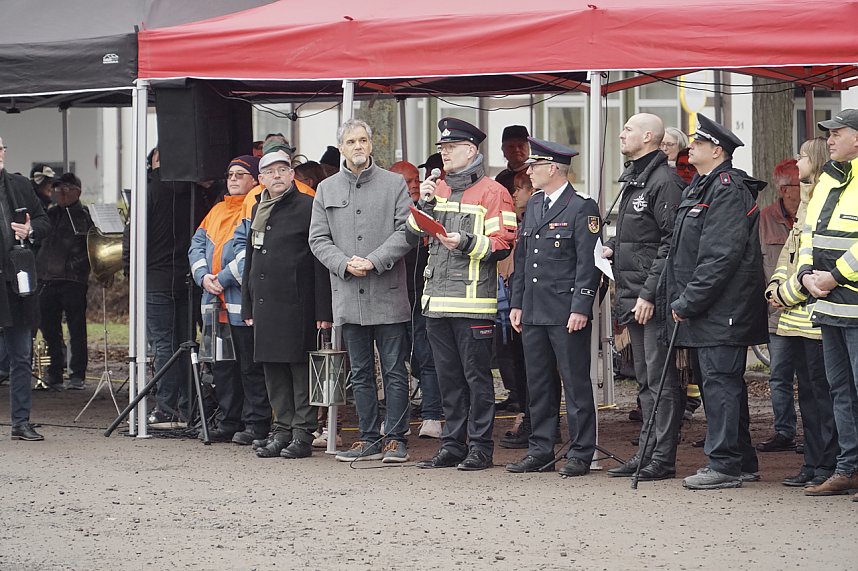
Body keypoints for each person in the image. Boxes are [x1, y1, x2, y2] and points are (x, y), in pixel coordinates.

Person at [665, 115, 768, 490]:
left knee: (720, 384)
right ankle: (740, 460)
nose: (690, 147)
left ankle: (724, 464)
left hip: (724, 308)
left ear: (717, 150)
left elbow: (719, 257)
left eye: (698, 142)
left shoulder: (725, 188)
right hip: (711, 308)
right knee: (720, 385)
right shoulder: (701, 187)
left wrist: (688, 301)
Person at [410, 118, 516, 471]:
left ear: (470, 150)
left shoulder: (493, 192)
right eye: (442, 148)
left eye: (450, 148)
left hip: (473, 304)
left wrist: (467, 242)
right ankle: (453, 445)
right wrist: (423, 201)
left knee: (477, 380)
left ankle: (481, 447)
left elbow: (503, 244)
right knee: (447, 380)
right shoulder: (436, 188)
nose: (444, 153)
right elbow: (412, 231)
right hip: (436, 301)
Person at [309, 119, 413, 463]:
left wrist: (373, 260)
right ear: (342, 148)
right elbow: (317, 239)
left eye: (363, 140)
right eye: (351, 141)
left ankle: (396, 439)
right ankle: (369, 439)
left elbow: (407, 232)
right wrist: (342, 263)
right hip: (349, 296)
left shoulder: (394, 183)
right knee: (361, 373)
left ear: (371, 145)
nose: (358, 146)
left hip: (388, 291)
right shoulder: (326, 189)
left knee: (396, 370)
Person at [505, 137, 601, 477]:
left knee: (575, 384)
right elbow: (523, 257)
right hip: (533, 309)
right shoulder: (534, 205)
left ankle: (581, 452)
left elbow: (588, 263)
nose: (528, 171)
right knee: (539, 384)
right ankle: (540, 449)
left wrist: (581, 306)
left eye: (534, 166)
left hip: (565, 311)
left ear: (552, 168)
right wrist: (517, 303)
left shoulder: (581, 206)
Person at [602, 113, 685, 482]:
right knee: (644, 379)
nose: (621, 134)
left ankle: (662, 457)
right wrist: (613, 248)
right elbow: (643, 236)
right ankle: (647, 450)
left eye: (629, 129)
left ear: (649, 136)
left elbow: (671, 242)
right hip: (634, 295)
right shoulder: (637, 177)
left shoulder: (664, 180)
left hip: (652, 298)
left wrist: (651, 293)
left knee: (659, 380)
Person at [243, 151, 332, 459]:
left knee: (298, 369)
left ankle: (301, 433)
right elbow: (251, 259)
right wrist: (247, 304)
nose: (277, 175)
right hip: (266, 302)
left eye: (283, 170)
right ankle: (280, 430)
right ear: (261, 179)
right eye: (271, 172)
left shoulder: (309, 206)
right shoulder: (258, 208)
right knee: (272, 369)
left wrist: (324, 310)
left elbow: (320, 261)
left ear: (292, 175)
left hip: (297, 302)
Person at [766, 137, 839, 488]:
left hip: (815, 320)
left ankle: (827, 464)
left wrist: (785, 292)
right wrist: (775, 287)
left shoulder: (821, 198)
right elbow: (790, 255)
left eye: (804, 155)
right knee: (807, 398)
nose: (797, 160)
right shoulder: (810, 200)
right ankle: (813, 463)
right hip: (795, 321)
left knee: (823, 399)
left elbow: (813, 262)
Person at [189, 155, 271, 444]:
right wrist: (203, 277)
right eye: (230, 174)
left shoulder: (255, 206)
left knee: (249, 368)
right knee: (222, 367)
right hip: (214, 306)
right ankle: (228, 421)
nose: (233, 179)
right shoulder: (217, 210)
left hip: (239, 304)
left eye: (240, 174)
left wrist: (220, 279)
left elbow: (248, 253)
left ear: (254, 179)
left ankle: (256, 423)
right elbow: (196, 245)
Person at [799, 109, 858, 498]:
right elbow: (809, 233)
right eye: (829, 133)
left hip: (849, 299)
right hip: (827, 301)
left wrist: (835, 275)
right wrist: (805, 274)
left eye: (838, 132)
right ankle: (848, 469)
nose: (830, 139)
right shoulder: (827, 179)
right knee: (840, 389)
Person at [0, 135, 50, 440]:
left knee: (21, 354)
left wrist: (31, 230)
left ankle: (20, 421)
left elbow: (45, 222)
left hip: (17, 280)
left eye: (1, 147)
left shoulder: (19, 185)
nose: (0, 152)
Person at [391, 160, 443, 439]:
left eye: (416, 179)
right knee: (394, 357)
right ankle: (394, 417)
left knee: (426, 353)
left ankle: (432, 414)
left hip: (424, 292)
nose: (414, 184)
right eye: (407, 181)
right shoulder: (387, 209)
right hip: (392, 292)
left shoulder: (429, 204)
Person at [757, 159, 802, 452]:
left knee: (814, 382)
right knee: (780, 376)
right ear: (786, 190)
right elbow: (758, 264)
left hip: (812, 313)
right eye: (800, 185)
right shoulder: (764, 219)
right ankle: (784, 432)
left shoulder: (814, 215)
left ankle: (817, 436)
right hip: (778, 314)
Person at [36, 172, 93, 390]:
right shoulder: (50, 215)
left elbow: (92, 247)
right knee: (49, 327)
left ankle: (77, 373)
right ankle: (55, 372)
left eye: (64, 189)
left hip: (73, 280)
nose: (59, 194)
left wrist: (75, 266)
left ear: (75, 191)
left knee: (76, 328)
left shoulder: (84, 216)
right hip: (48, 279)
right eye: (57, 189)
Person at [495, 125, 530, 196]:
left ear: (529, 148)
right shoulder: (501, 178)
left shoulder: (536, 175)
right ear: (503, 149)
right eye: (511, 146)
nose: (516, 150)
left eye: (521, 146)